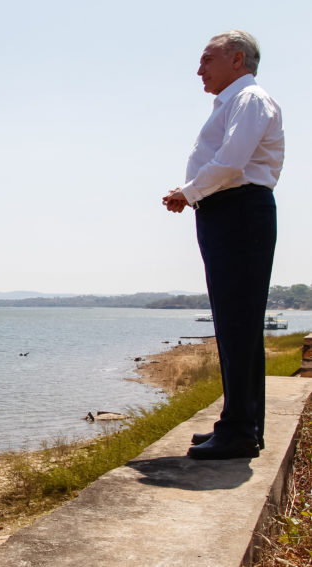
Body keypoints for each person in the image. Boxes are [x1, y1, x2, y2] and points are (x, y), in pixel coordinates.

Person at [163, 30, 284, 460]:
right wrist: (194, 192)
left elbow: (232, 163)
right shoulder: (235, 101)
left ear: (237, 60)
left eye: (206, 59)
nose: (199, 69)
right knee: (239, 325)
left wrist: (188, 192)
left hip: (237, 210)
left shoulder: (249, 99)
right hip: (230, 210)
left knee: (237, 323)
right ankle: (240, 423)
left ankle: (239, 430)